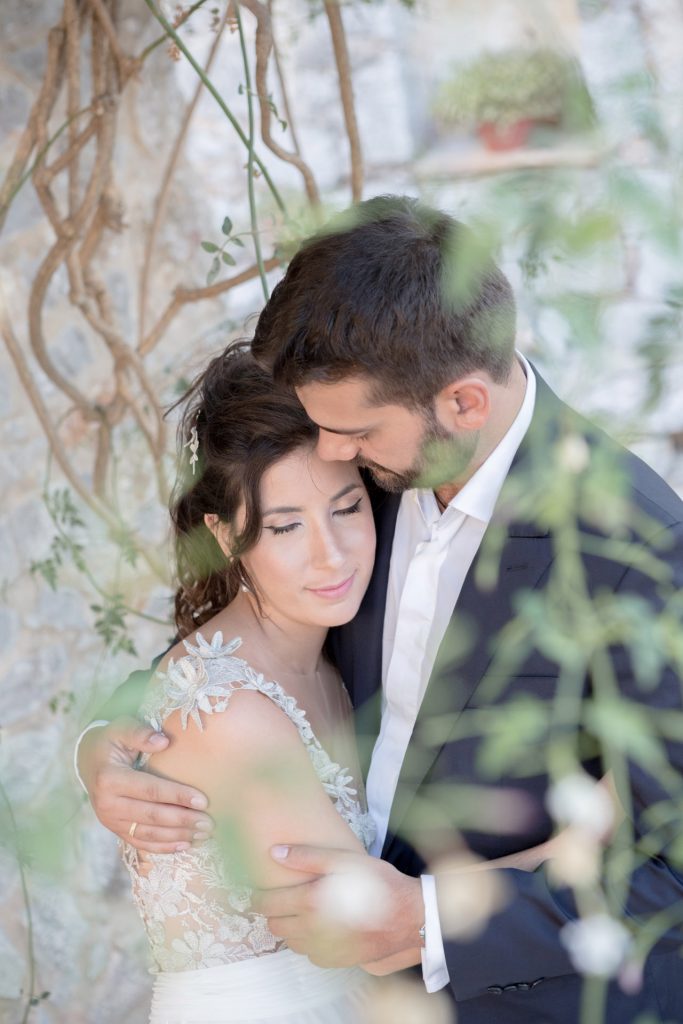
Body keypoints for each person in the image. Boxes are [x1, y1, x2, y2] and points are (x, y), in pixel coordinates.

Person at [78, 196, 683, 1023]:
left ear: (464, 403)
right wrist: (110, 747)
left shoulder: (639, 555)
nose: (332, 453)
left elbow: (669, 875)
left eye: (353, 435)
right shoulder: (371, 457)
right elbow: (253, 639)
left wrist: (434, 921)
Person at [102, 344, 420, 1023]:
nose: (329, 555)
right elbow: (374, 934)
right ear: (223, 535)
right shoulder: (229, 715)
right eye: (283, 526)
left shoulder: (346, 655)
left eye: (346, 508)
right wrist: (576, 848)